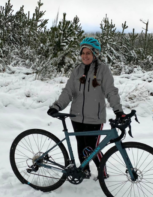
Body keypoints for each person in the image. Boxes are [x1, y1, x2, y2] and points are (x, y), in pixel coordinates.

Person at [47, 37, 125, 179]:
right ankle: (84, 171)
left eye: (88, 53)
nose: (85, 56)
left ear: (95, 54)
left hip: (94, 118)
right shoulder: (77, 71)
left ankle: (103, 175)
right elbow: (68, 91)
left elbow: (110, 91)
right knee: (81, 146)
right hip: (76, 116)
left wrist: (118, 110)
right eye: (83, 53)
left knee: (93, 149)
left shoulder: (103, 70)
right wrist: (57, 106)